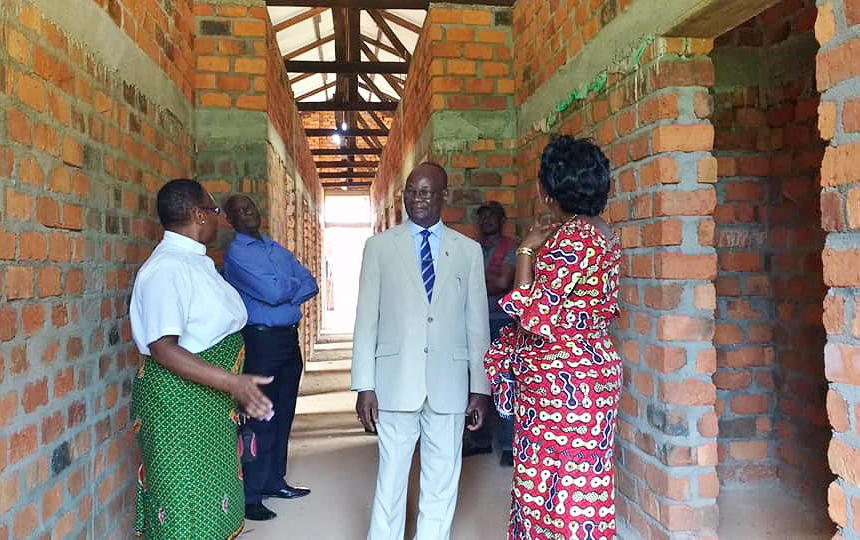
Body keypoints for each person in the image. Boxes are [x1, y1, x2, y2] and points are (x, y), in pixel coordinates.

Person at [484, 136, 622, 540]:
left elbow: (532, 313)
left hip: (559, 383)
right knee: (582, 487)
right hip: (591, 373)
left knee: (550, 491)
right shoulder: (603, 232)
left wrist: (525, 252)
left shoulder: (573, 236)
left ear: (548, 190)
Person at [352, 162, 491, 540]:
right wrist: (364, 384)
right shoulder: (379, 247)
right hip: (395, 380)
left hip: (449, 383)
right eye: (411, 191)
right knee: (391, 478)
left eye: (426, 192)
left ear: (444, 196)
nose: (417, 198)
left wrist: (480, 387)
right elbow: (366, 319)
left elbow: (476, 323)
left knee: (443, 479)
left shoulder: (468, 251)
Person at [130, 179, 274, 539]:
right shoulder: (167, 269)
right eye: (214, 211)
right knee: (187, 508)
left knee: (212, 504)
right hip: (179, 408)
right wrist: (232, 381)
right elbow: (163, 347)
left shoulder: (194, 261)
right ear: (197, 214)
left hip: (206, 404)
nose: (219, 220)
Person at [223, 194, 319, 522]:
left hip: (288, 340)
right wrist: (285, 289)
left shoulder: (275, 248)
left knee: (284, 413)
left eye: (252, 207)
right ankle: (251, 495)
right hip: (260, 341)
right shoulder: (237, 254)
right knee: (260, 417)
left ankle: (276, 481)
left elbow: (311, 283)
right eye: (241, 211)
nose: (249, 213)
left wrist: (283, 287)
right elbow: (275, 293)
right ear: (230, 220)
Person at [463, 201, 517, 466]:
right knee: (474, 382)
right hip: (473, 323)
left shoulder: (512, 247)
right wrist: (482, 284)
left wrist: (476, 283)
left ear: (502, 219)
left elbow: (503, 283)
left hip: (501, 322)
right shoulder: (472, 248)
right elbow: (460, 284)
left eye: (492, 216)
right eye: (482, 217)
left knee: (504, 382)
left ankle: (508, 446)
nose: (486, 221)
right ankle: (479, 439)